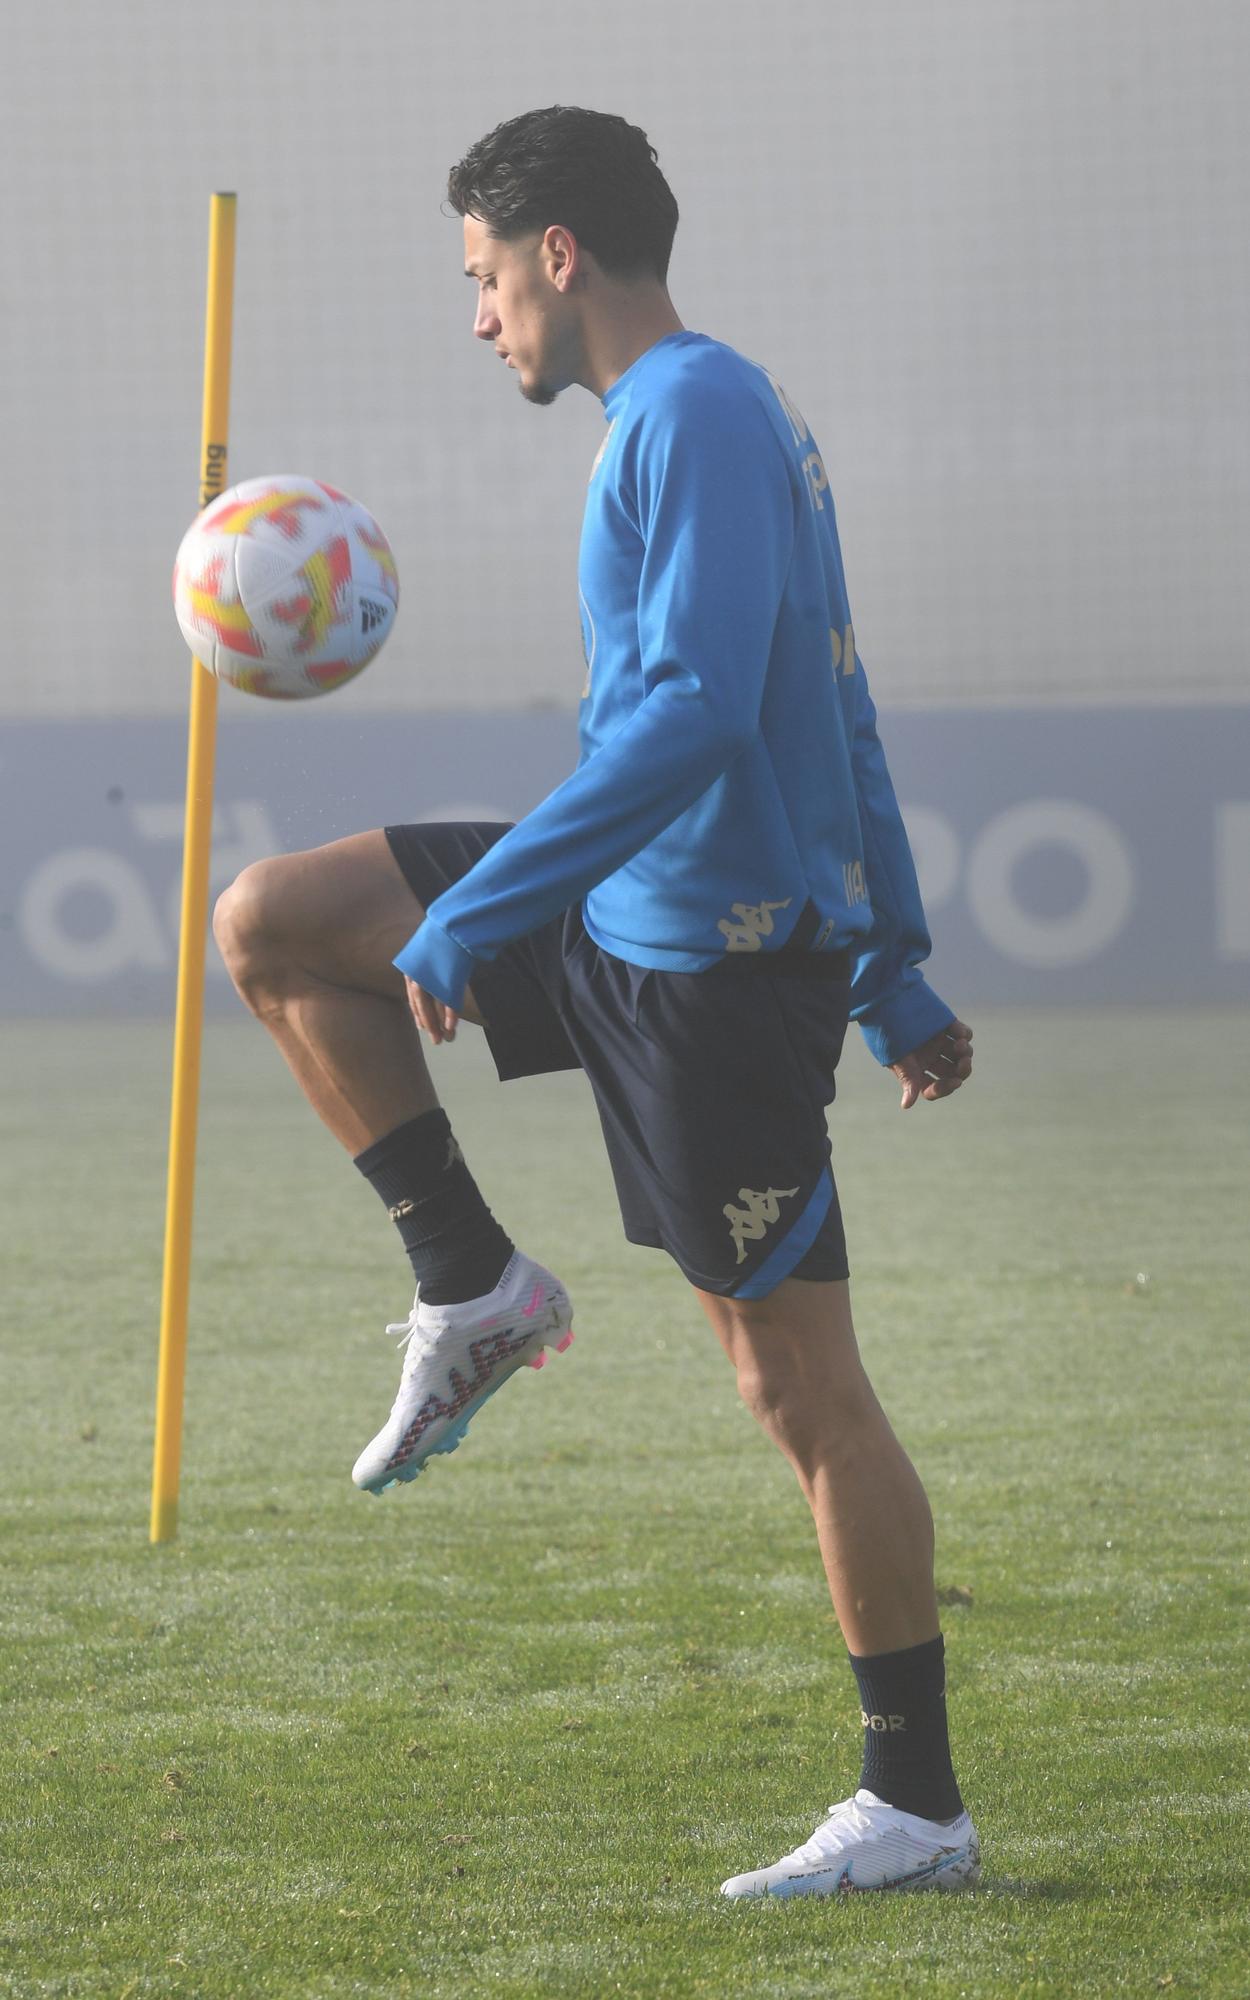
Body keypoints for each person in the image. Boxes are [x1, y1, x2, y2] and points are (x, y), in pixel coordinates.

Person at [213, 104, 979, 1900]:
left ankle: (915, 1806)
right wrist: (908, 959)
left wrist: (492, 909)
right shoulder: (701, 412)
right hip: (639, 916)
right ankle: (471, 1282)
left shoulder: (703, 413)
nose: (478, 317)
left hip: (711, 970)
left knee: (801, 1397)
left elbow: (709, 713)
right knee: (274, 922)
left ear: (558, 254)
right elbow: (832, 694)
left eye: (483, 277)